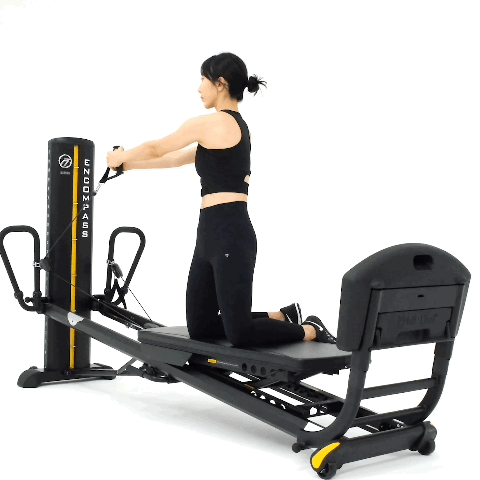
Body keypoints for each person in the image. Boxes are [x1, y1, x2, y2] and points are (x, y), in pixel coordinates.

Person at [106, 52, 336, 348]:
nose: (198, 88)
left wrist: (121, 156)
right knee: (200, 328)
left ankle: (310, 329)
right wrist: (127, 166)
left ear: (220, 83)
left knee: (241, 335)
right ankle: (283, 316)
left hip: (231, 233)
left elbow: (157, 147)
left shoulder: (217, 123)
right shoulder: (219, 132)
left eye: (203, 79)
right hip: (209, 235)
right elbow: (174, 159)